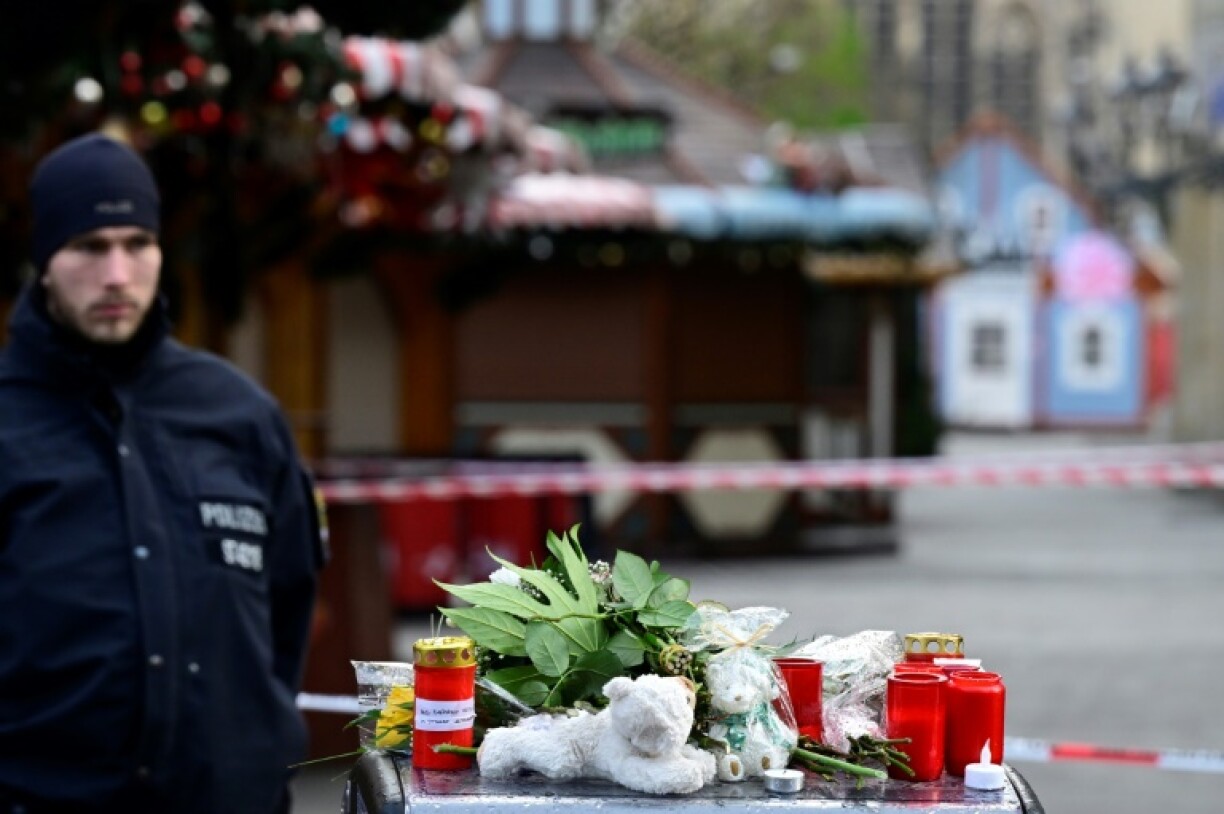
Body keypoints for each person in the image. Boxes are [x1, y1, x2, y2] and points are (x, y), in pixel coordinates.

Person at [0, 132, 327, 813]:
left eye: (137, 243)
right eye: (89, 247)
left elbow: (288, 607)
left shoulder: (240, 414)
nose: (117, 273)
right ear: (45, 261)